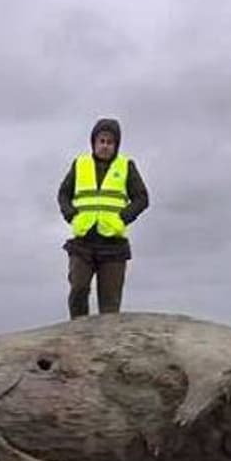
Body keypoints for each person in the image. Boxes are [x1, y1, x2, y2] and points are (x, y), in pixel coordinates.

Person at [56, 118, 149, 319]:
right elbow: (63, 193)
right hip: (83, 241)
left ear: (116, 145)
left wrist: (123, 218)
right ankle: (77, 333)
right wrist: (71, 215)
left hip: (113, 244)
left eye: (110, 142)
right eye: (102, 141)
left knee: (110, 305)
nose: (105, 146)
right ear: (94, 143)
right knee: (78, 289)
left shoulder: (126, 166)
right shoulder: (80, 164)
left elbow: (142, 198)